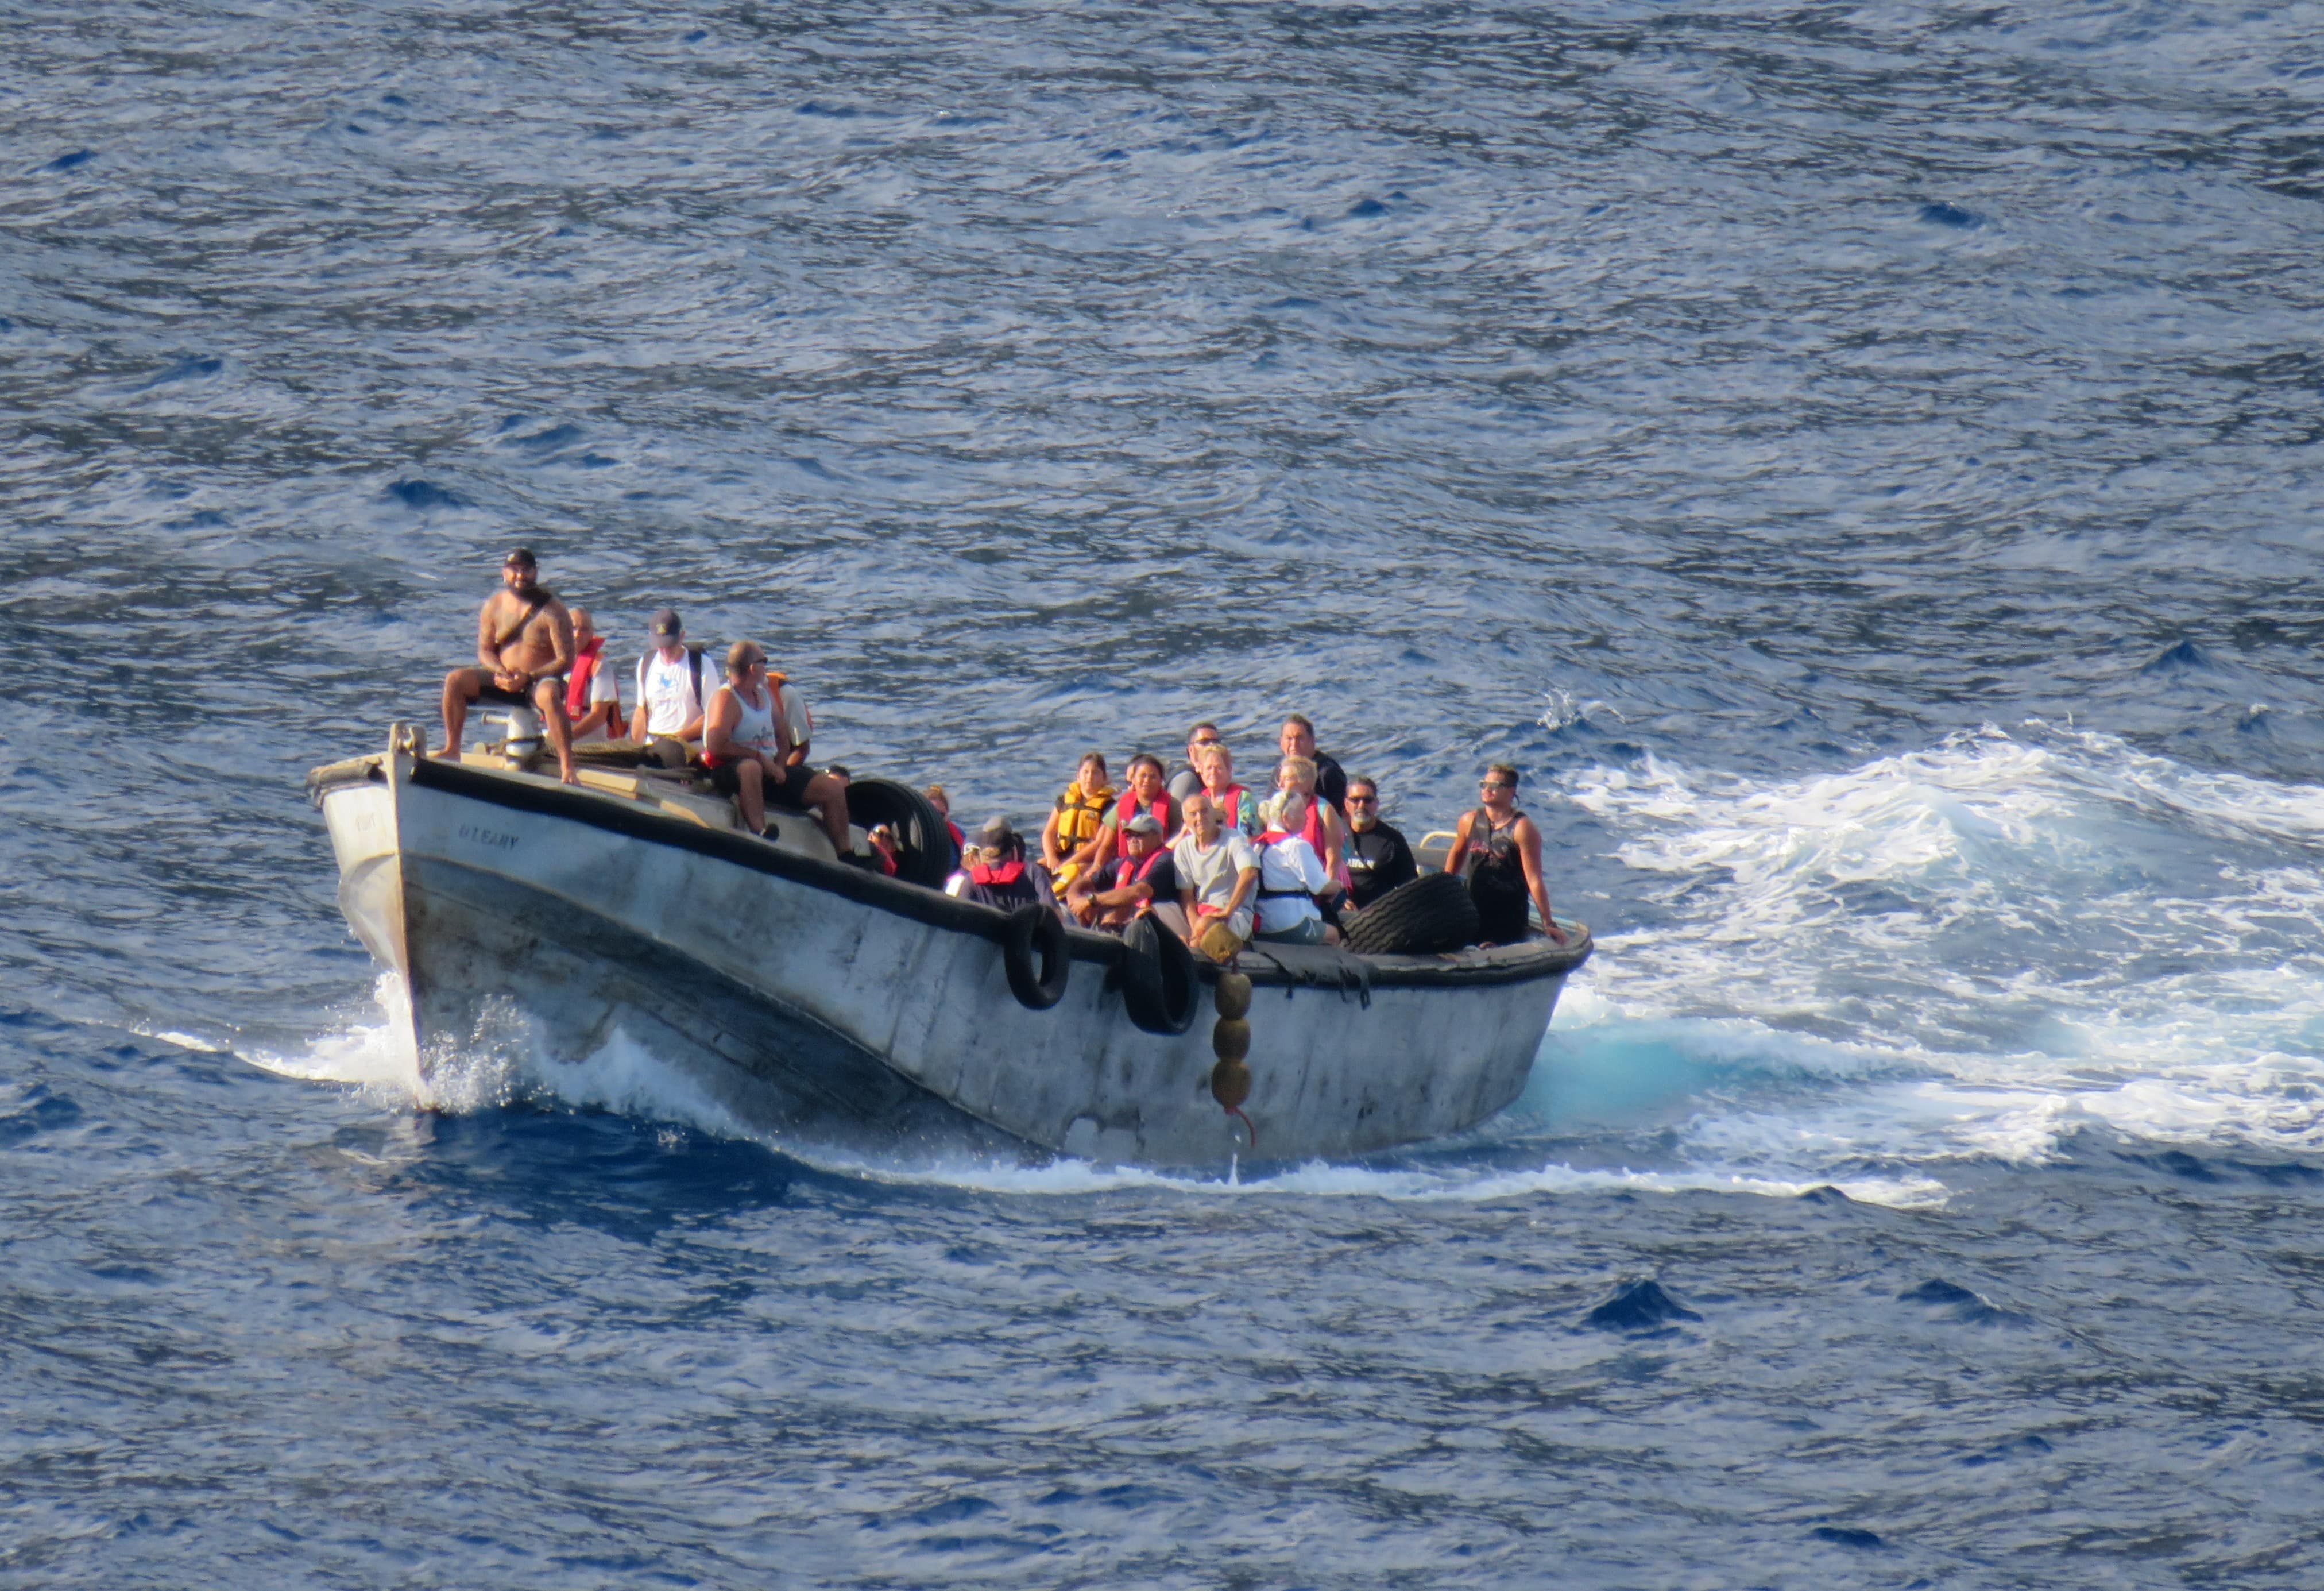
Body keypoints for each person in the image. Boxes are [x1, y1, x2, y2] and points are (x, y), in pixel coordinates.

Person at [435, 547, 578, 785]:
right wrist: (500, 671)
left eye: (526, 570)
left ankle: (567, 766)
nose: (520, 576)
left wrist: (529, 676)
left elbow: (566, 659)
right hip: (503, 678)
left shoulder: (553, 610)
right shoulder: (493, 606)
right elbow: (485, 651)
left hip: (539, 682)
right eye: (515, 570)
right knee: (455, 680)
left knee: (550, 694)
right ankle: (452, 749)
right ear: (504, 574)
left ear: (536, 573)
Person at [1443, 763, 1568, 946]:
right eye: (1484, 784)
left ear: (1511, 791)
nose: (1487, 790)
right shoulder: (1469, 820)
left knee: (1491, 947)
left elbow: (1534, 879)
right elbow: (1456, 854)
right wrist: (1444, 891)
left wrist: (1548, 922)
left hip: (1508, 913)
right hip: (1473, 908)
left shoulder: (1523, 828)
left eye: (1494, 786)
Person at [1172, 791, 1260, 960]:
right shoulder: (1183, 848)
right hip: (1203, 913)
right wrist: (1195, 925)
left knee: (1204, 928)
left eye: (1205, 811)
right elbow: (1187, 896)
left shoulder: (1234, 839)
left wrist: (1228, 910)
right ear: (1186, 821)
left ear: (1214, 813)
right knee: (1152, 915)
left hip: (1236, 913)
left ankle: (1190, 951)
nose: (1200, 817)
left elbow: (1249, 872)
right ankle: (1192, 944)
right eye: (1193, 814)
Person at [1065, 812, 1176, 932]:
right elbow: (1087, 882)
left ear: (1157, 837)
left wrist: (1091, 901)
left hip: (1163, 920)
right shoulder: (1124, 862)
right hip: (1135, 922)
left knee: (1120, 907)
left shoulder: (1166, 860)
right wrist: (1074, 896)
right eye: (1129, 836)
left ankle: (1110, 936)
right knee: (1085, 906)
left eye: (1139, 835)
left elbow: (1139, 892)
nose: (1132, 840)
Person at [1252, 791, 1339, 945]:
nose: (1306, 817)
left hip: (1262, 924)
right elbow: (1321, 887)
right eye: (1302, 813)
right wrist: (1339, 885)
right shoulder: (1296, 846)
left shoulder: (1258, 844)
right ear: (1286, 818)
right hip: (1291, 924)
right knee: (1333, 935)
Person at [1261, 754, 1349, 893]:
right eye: (1280, 779)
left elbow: (1333, 859)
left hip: (1325, 881)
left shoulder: (1324, 810)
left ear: (1303, 782)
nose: (1280, 784)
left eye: (1286, 779)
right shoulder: (1277, 809)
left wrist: (1328, 897)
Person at [633, 608, 714, 749]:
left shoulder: (701, 664)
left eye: (670, 645)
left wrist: (675, 739)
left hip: (689, 745)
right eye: (660, 645)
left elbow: (712, 714)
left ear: (682, 636)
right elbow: (641, 711)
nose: (665, 650)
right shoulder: (645, 663)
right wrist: (634, 748)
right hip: (653, 742)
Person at [1086, 753, 1178, 874]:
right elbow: (1106, 846)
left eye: (1153, 777)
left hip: (1159, 867)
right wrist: (1097, 867)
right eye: (1142, 776)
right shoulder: (1121, 806)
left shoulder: (1173, 806)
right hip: (1126, 866)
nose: (1147, 781)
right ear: (1133, 779)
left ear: (1161, 780)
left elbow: (1180, 842)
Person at [1341, 774, 1418, 910]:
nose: (1361, 805)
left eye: (1368, 800)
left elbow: (1410, 888)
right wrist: (1339, 900)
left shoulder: (1393, 841)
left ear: (1376, 804)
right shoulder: (1335, 835)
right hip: (1341, 913)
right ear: (1346, 804)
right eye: (1355, 800)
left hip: (1380, 918)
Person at [1042, 752, 1116, 888]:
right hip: (1060, 856)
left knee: (1067, 877)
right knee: (1033, 870)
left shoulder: (1109, 806)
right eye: (1086, 772)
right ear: (1078, 776)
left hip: (1086, 860)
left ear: (1104, 778)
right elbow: (1049, 832)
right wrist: (1051, 857)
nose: (1089, 777)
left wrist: (1069, 862)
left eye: (1095, 773)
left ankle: (1056, 905)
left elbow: (1099, 843)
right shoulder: (1065, 800)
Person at [962, 816, 1055, 912]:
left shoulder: (971, 879)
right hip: (1025, 926)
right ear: (1014, 851)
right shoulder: (1033, 872)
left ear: (982, 855)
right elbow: (1054, 914)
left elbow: (960, 918)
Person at [565, 607, 624, 743]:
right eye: (573, 628)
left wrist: (565, 739)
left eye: (584, 629)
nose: (577, 635)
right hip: (554, 740)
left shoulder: (601, 666)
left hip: (588, 745)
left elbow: (599, 715)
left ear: (592, 633)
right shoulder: (551, 662)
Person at [1279, 714, 1348, 816]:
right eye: (1289, 739)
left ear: (1312, 741)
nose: (1294, 745)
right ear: (1281, 743)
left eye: (1299, 738)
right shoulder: (1280, 769)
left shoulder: (1328, 773)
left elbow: (1342, 815)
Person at [1194, 743, 1265, 839]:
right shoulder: (1200, 799)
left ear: (1229, 771)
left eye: (1219, 768)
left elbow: (1250, 839)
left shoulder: (1243, 798)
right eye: (1209, 768)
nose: (1213, 772)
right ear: (1201, 771)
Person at [1166, 722, 1222, 806]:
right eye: (1204, 742)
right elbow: (1178, 817)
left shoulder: (1213, 775)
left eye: (1215, 742)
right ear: (1191, 750)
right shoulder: (1187, 779)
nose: (1211, 746)